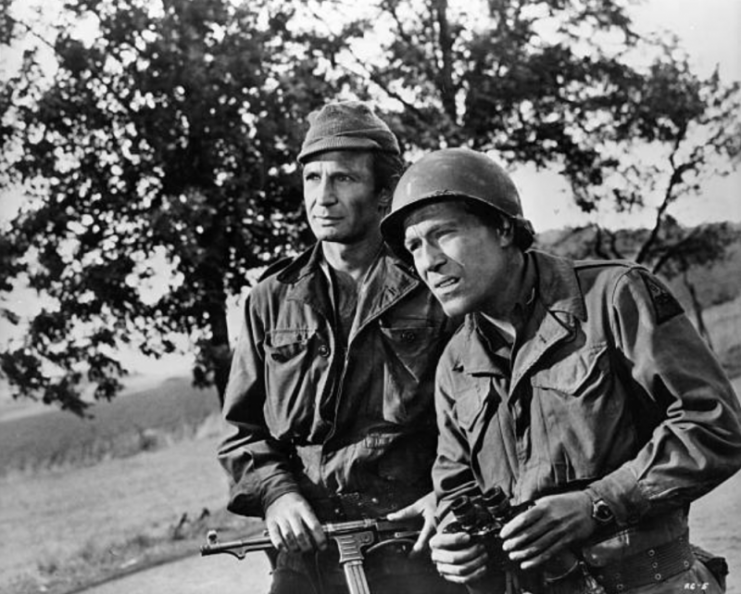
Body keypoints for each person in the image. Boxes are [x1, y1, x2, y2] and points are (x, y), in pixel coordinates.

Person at [380, 147, 741, 594]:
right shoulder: (455, 362)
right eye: (414, 246)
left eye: (444, 234)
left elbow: (715, 425)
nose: (429, 261)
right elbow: (456, 491)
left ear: (504, 228)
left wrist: (598, 504)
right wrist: (456, 543)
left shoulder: (611, 297)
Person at [218, 102, 463, 594]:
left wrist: (451, 495)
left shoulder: (434, 284)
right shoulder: (271, 299)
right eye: (312, 179)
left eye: (344, 179)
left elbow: (485, 412)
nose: (322, 198)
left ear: (383, 192)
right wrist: (277, 496)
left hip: (413, 537)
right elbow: (241, 433)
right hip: (309, 547)